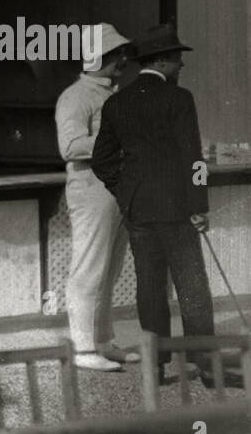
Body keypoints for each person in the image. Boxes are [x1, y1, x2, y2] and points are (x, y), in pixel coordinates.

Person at [91, 22, 229, 388]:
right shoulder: (179, 99)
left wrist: (126, 192)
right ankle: (205, 366)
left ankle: (155, 365)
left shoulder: (116, 102)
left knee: (149, 287)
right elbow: (193, 159)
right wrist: (200, 206)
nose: (182, 65)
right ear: (164, 60)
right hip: (177, 209)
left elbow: (101, 161)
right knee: (193, 287)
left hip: (138, 210)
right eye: (178, 58)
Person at [54, 23, 139, 372]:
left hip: (115, 188)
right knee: (89, 268)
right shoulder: (76, 97)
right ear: (101, 56)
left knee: (110, 270)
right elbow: (70, 147)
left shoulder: (110, 94)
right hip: (91, 190)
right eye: (117, 53)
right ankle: (82, 348)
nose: (123, 59)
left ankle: (103, 341)